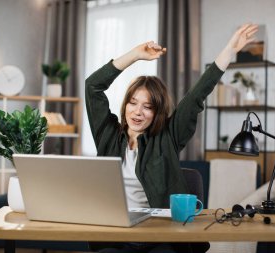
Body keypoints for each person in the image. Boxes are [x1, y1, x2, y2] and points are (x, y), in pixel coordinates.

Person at [85, 23, 258, 253]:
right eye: (133, 103)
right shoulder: (107, 135)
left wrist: (230, 49)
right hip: (115, 238)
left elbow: (197, 95)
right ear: (125, 104)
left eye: (147, 107)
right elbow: (92, 86)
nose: (137, 112)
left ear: (157, 112)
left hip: (159, 238)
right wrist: (135, 55)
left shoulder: (167, 137)